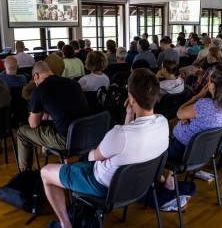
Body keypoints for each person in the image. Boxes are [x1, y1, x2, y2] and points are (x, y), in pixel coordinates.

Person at [41, 68, 169, 228]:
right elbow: (130, 141)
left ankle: (66, 224)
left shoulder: (119, 134)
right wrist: (129, 116)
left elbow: (94, 157)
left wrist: (91, 153)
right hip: (138, 185)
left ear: (131, 99)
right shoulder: (163, 123)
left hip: (103, 185)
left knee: (45, 172)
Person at [164, 65, 222, 190]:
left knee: (154, 146)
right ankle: (169, 175)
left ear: (212, 85)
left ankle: (161, 177)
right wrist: (190, 118)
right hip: (204, 153)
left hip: (180, 151)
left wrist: (197, 97)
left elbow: (179, 113)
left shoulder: (204, 105)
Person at [17, 61, 89, 171]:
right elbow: (69, 110)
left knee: (22, 133)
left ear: (36, 75)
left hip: (67, 140)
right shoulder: (73, 83)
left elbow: (33, 124)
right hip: (87, 135)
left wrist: (41, 116)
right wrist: (48, 116)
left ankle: (24, 175)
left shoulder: (39, 90)